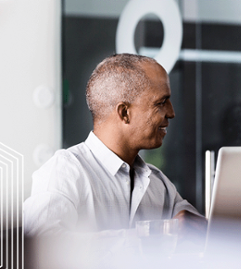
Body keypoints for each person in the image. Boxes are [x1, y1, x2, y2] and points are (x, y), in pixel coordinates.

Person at [24, 53, 206, 238]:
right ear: (125, 112)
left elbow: (208, 237)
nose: (171, 113)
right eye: (161, 103)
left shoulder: (160, 185)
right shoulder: (65, 172)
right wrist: (150, 236)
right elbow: (44, 247)